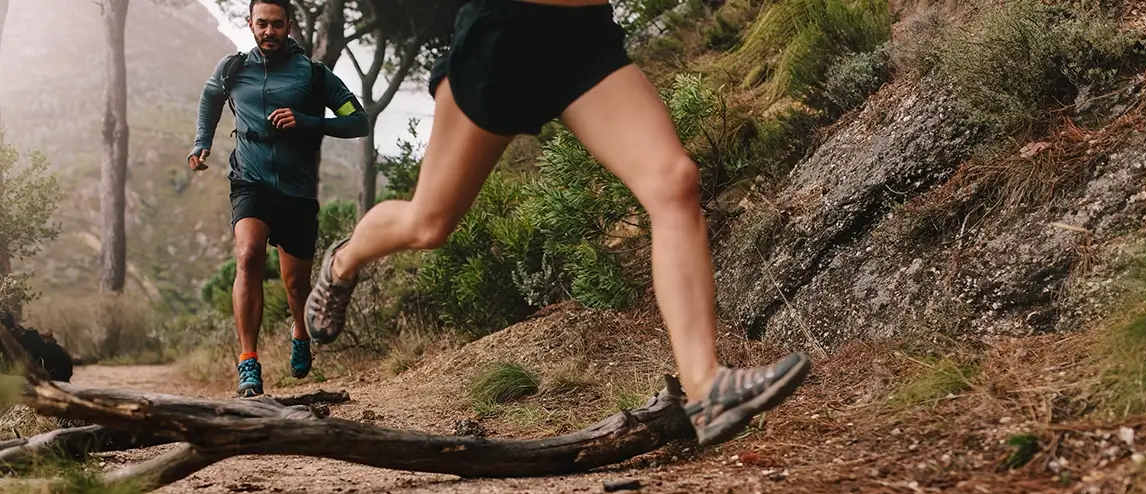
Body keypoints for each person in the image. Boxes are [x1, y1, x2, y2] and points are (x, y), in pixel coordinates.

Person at [305, 0, 811, 447]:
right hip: (504, 35)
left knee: (674, 181)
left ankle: (705, 387)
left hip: (582, 39)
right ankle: (345, 259)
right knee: (428, 224)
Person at [188, 0, 370, 397]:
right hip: (249, 181)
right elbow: (210, 100)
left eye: (276, 25)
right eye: (261, 24)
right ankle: (248, 361)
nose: (268, 32)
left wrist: (307, 121)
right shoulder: (233, 68)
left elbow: (358, 121)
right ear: (250, 25)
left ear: (288, 25)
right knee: (248, 255)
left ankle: (300, 331)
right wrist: (201, 143)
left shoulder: (313, 75)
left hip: (297, 191)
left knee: (295, 285)